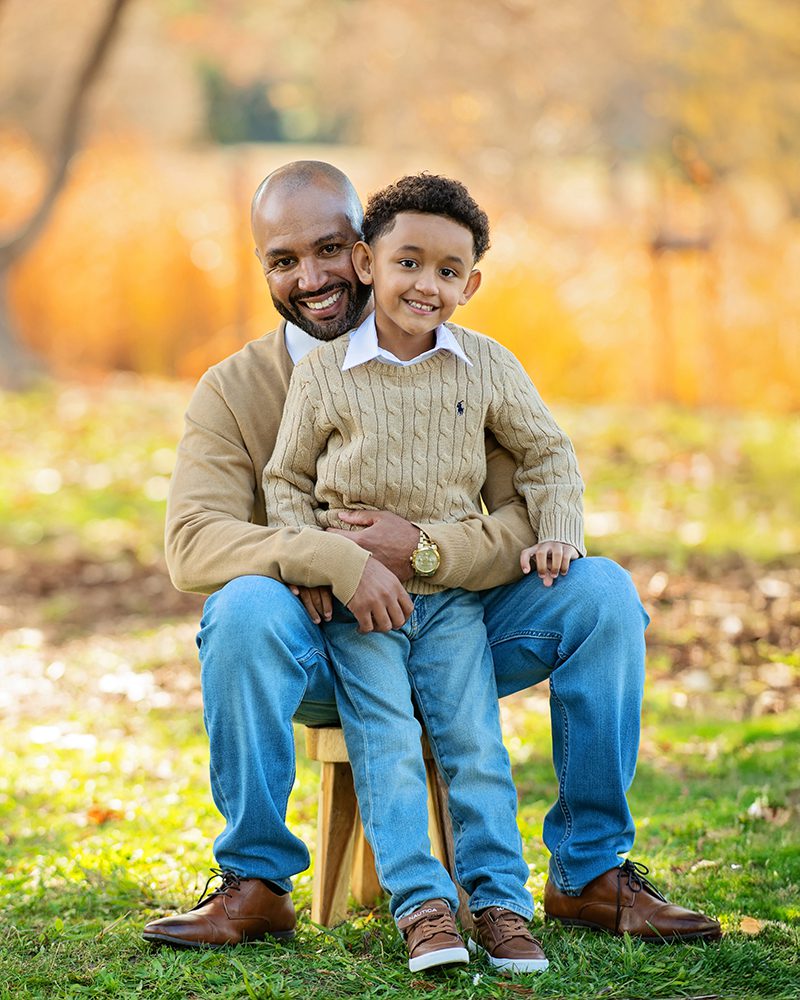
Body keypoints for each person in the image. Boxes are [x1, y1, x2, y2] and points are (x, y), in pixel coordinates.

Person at [142, 160, 721, 953]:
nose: (311, 278)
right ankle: (256, 882)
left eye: (329, 249)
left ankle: (589, 872)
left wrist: (421, 550)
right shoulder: (233, 389)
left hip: (459, 628)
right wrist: (334, 560)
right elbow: (193, 543)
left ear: (366, 249)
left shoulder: (464, 362)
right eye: (283, 261)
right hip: (319, 647)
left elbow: (526, 516)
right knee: (240, 608)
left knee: (603, 595)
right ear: (262, 268)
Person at [263, 172, 583, 973]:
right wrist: (311, 562)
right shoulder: (325, 373)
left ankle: (500, 905)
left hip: (451, 605)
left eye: (448, 271)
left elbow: (547, 453)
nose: (426, 285)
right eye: (408, 262)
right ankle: (423, 908)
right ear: (367, 263)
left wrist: (559, 533)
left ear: (470, 285)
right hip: (361, 608)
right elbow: (286, 480)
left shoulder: (486, 365)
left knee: (474, 744)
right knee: (387, 744)